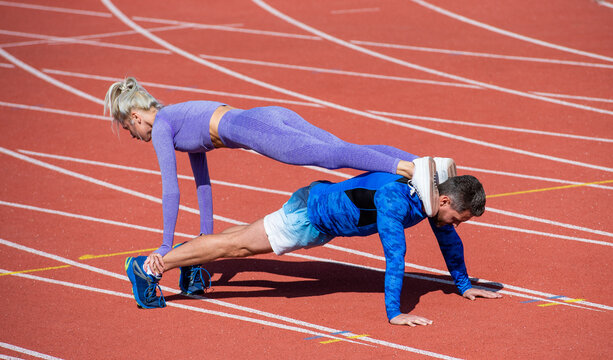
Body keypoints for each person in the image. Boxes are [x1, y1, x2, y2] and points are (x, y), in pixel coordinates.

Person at [105, 77, 443, 295]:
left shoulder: (162, 126)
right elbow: (202, 183)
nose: (135, 137)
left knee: (330, 156)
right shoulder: (175, 118)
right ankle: (422, 162)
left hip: (256, 127)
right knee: (339, 149)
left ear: (134, 117)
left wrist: (166, 245)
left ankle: (409, 167)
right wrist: (203, 239)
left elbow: (170, 190)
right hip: (268, 115)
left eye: (129, 130)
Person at [125, 160, 501, 326]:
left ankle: (191, 254)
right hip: (309, 219)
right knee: (237, 247)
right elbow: (395, 255)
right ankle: (149, 267)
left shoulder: (428, 196)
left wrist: (465, 286)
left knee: (238, 239)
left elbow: (448, 241)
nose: (453, 225)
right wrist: (394, 312)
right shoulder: (396, 199)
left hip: (314, 204)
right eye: (457, 218)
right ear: (447, 201)